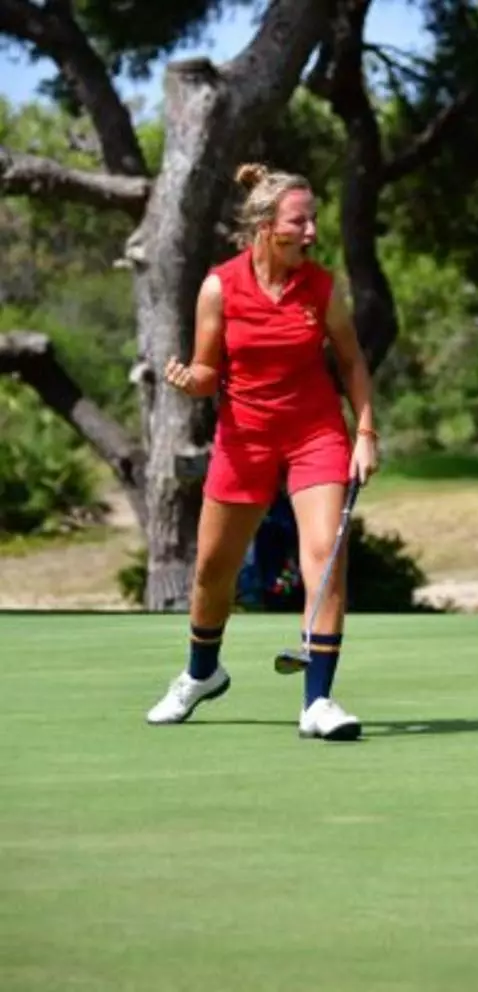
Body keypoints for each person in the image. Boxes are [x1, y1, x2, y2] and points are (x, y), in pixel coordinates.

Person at [146, 162, 379, 740]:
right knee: (211, 570)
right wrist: (188, 380)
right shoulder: (220, 286)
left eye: (314, 221)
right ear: (265, 225)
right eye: (300, 222)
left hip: (315, 433)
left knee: (324, 558)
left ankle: (318, 702)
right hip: (244, 439)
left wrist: (366, 433)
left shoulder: (322, 287)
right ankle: (202, 673)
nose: (312, 233)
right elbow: (208, 370)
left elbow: (350, 361)